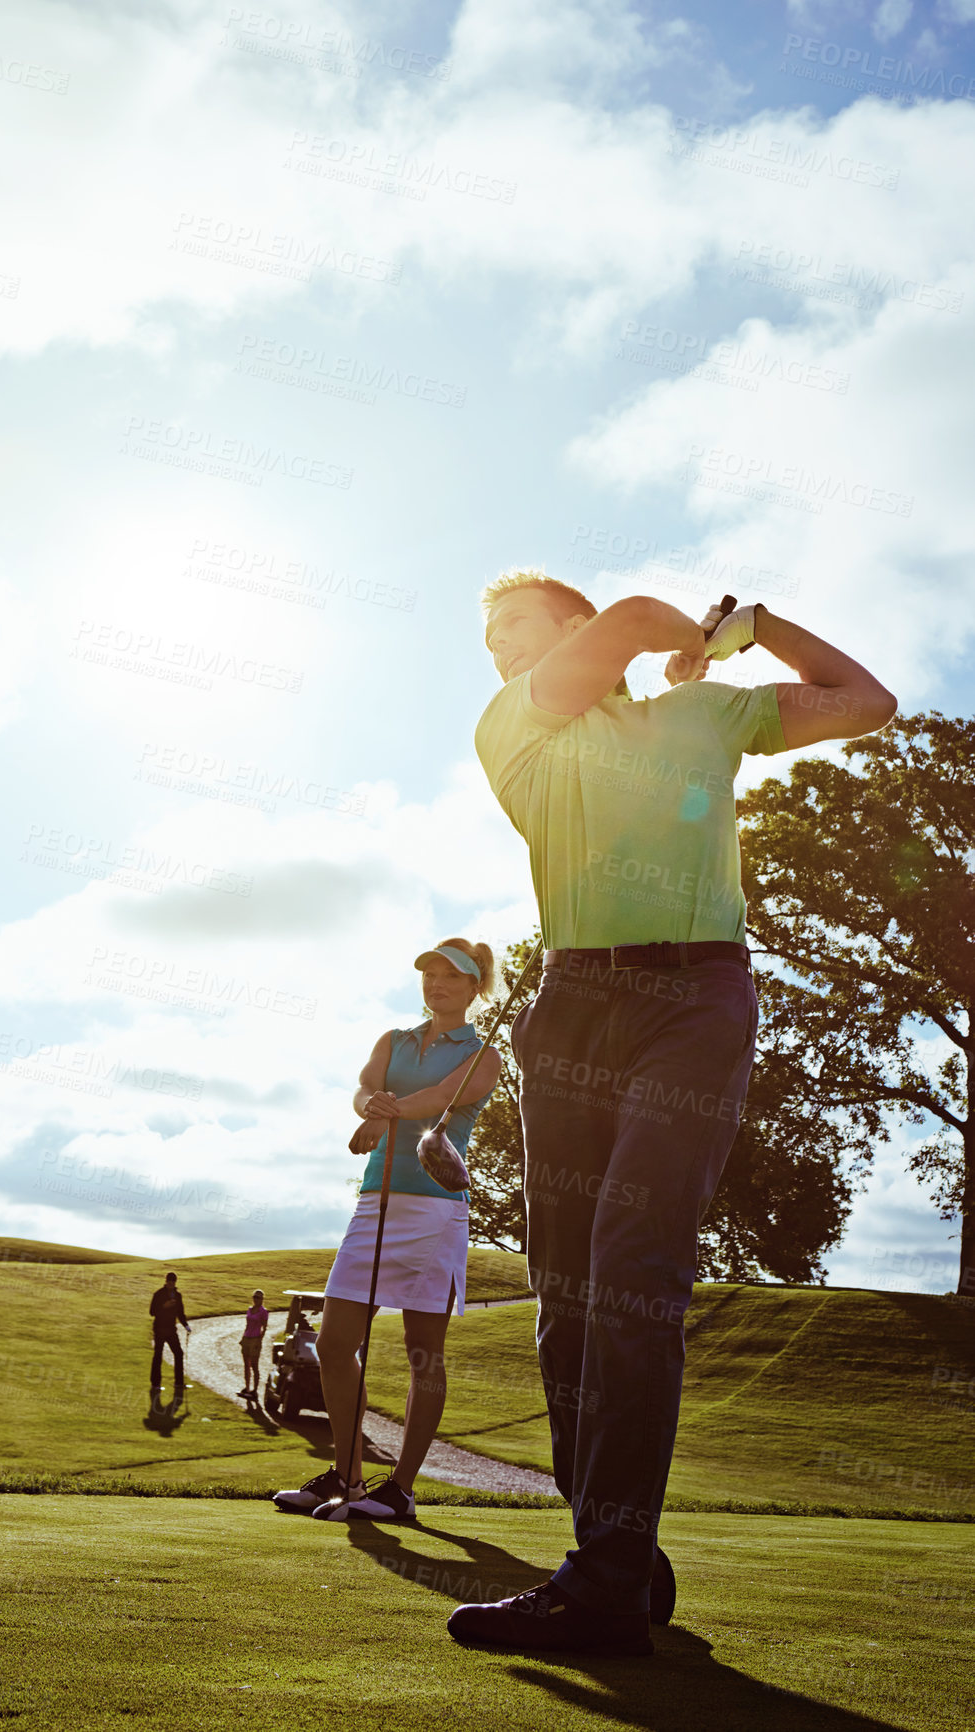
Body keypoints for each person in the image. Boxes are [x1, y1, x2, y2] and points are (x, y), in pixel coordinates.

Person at [445, 573, 896, 1655]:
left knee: (633, 1268)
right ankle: (615, 1552)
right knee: (566, 1296)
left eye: (516, 626)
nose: (499, 649)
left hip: (692, 999)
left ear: (569, 622)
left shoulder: (704, 714)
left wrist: (748, 632)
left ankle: (601, 1580)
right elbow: (644, 622)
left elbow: (863, 700)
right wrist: (690, 637)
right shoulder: (513, 724)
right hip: (568, 1012)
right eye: (489, 637)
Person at [273, 939, 501, 1522]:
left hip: (433, 1209)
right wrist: (370, 1106)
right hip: (374, 1202)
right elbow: (363, 1088)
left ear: (476, 988)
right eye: (430, 973)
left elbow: (440, 1100)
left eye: (453, 975)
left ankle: (399, 1489)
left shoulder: (484, 1056)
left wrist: (386, 1113)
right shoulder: (392, 1040)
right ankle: (348, 1474)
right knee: (333, 1344)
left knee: (423, 1353)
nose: (437, 982)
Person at [149, 1270, 189, 1391]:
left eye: (173, 1282)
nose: (171, 1284)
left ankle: (179, 1383)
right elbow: (152, 1312)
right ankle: (155, 1384)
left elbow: (180, 1313)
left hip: (171, 1329)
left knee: (178, 1353)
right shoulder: (158, 1294)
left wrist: (186, 1325)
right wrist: (164, 1306)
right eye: (169, 1281)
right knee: (158, 1355)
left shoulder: (178, 1295)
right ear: (166, 1281)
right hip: (160, 1329)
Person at [240, 1289, 269, 1397]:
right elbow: (247, 1325)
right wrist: (243, 1338)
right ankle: (247, 1388)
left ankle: (255, 1390)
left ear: (262, 1299)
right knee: (246, 1365)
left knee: (254, 1365)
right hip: (246, 1338)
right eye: (255, 1297)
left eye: (258, 1297)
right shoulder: (249, 1309)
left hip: (255, 1339)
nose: (256, 1299)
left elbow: (264, 1327)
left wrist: (259, 1340)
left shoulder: (263, 1312)